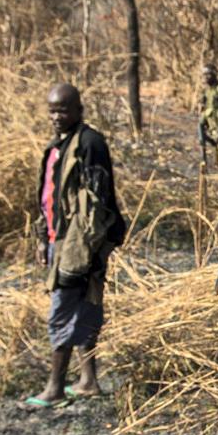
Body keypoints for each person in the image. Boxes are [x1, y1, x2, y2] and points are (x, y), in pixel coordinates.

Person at [23, 83, 126, 410]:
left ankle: (54, 387)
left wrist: (92, 248)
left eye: (63, 110)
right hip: (60, 240)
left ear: (79, 110)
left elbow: (99, 200)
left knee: (64, 309)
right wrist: (43, 239)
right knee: (85, 307)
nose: (56, 116)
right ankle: (88, 381)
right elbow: (47, 199)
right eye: (52, 110)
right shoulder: (58, 145)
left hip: (80, 244)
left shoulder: (90, 143)